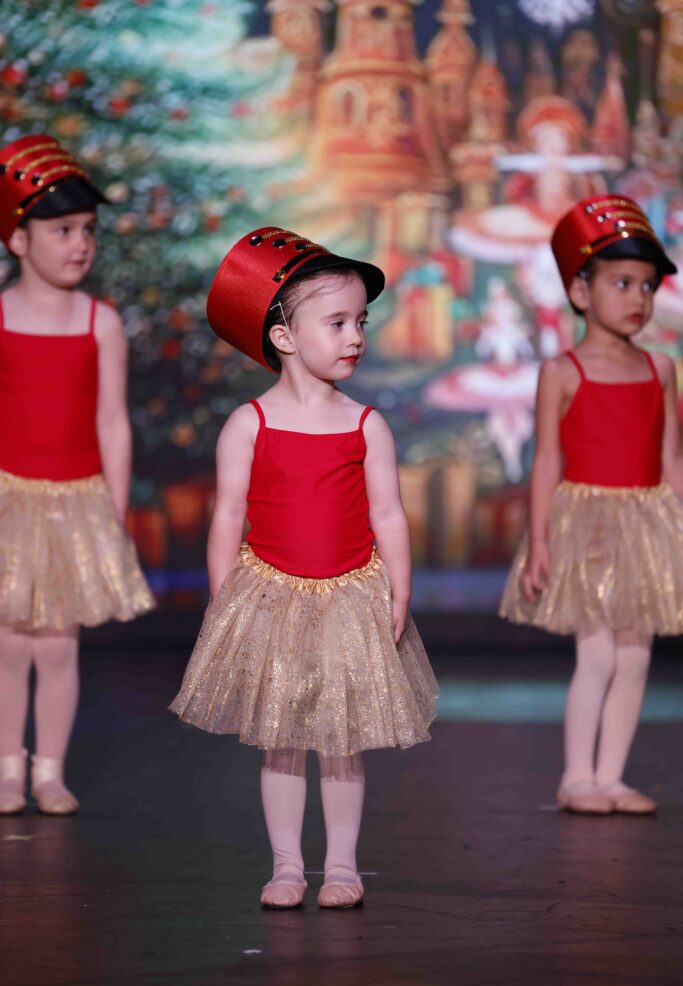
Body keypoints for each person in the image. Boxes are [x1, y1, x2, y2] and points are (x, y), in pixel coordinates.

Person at [170, 227, 438, 908]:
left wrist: (399, 590)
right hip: (273, 597)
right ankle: (287, 865)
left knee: (342, 742)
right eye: (337, 322)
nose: (355, 337)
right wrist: (223, 599)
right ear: (284, 337)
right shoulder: (249, 423)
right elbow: (228, 517)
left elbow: (389, 516)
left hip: (350, 595)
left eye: (361, 322)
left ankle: (342, 866)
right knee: (283, 741)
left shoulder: (365, 424)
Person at [501, 194, 683, 815]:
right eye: (621, 283)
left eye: (647, 285)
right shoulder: (563, 370)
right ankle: (577, 777)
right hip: (587, 525)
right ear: (581, 291)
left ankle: (611, 777)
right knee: (598, 651)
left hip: (645, 523)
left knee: (636, 654)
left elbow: (670, 459)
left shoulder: (660, 369)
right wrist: (541, 541)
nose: (638, 298)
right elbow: (546, 461)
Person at [0, 135, 154, 816]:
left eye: (87, 230)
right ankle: (8, 769)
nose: (80, 244)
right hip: (10, 499)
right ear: (18, 239)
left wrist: (113, 513)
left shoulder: (101, 322)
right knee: (10, 645)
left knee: (59, 647)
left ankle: (50, 772)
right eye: (62, 230)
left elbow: (112, 420)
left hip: (75, 502)